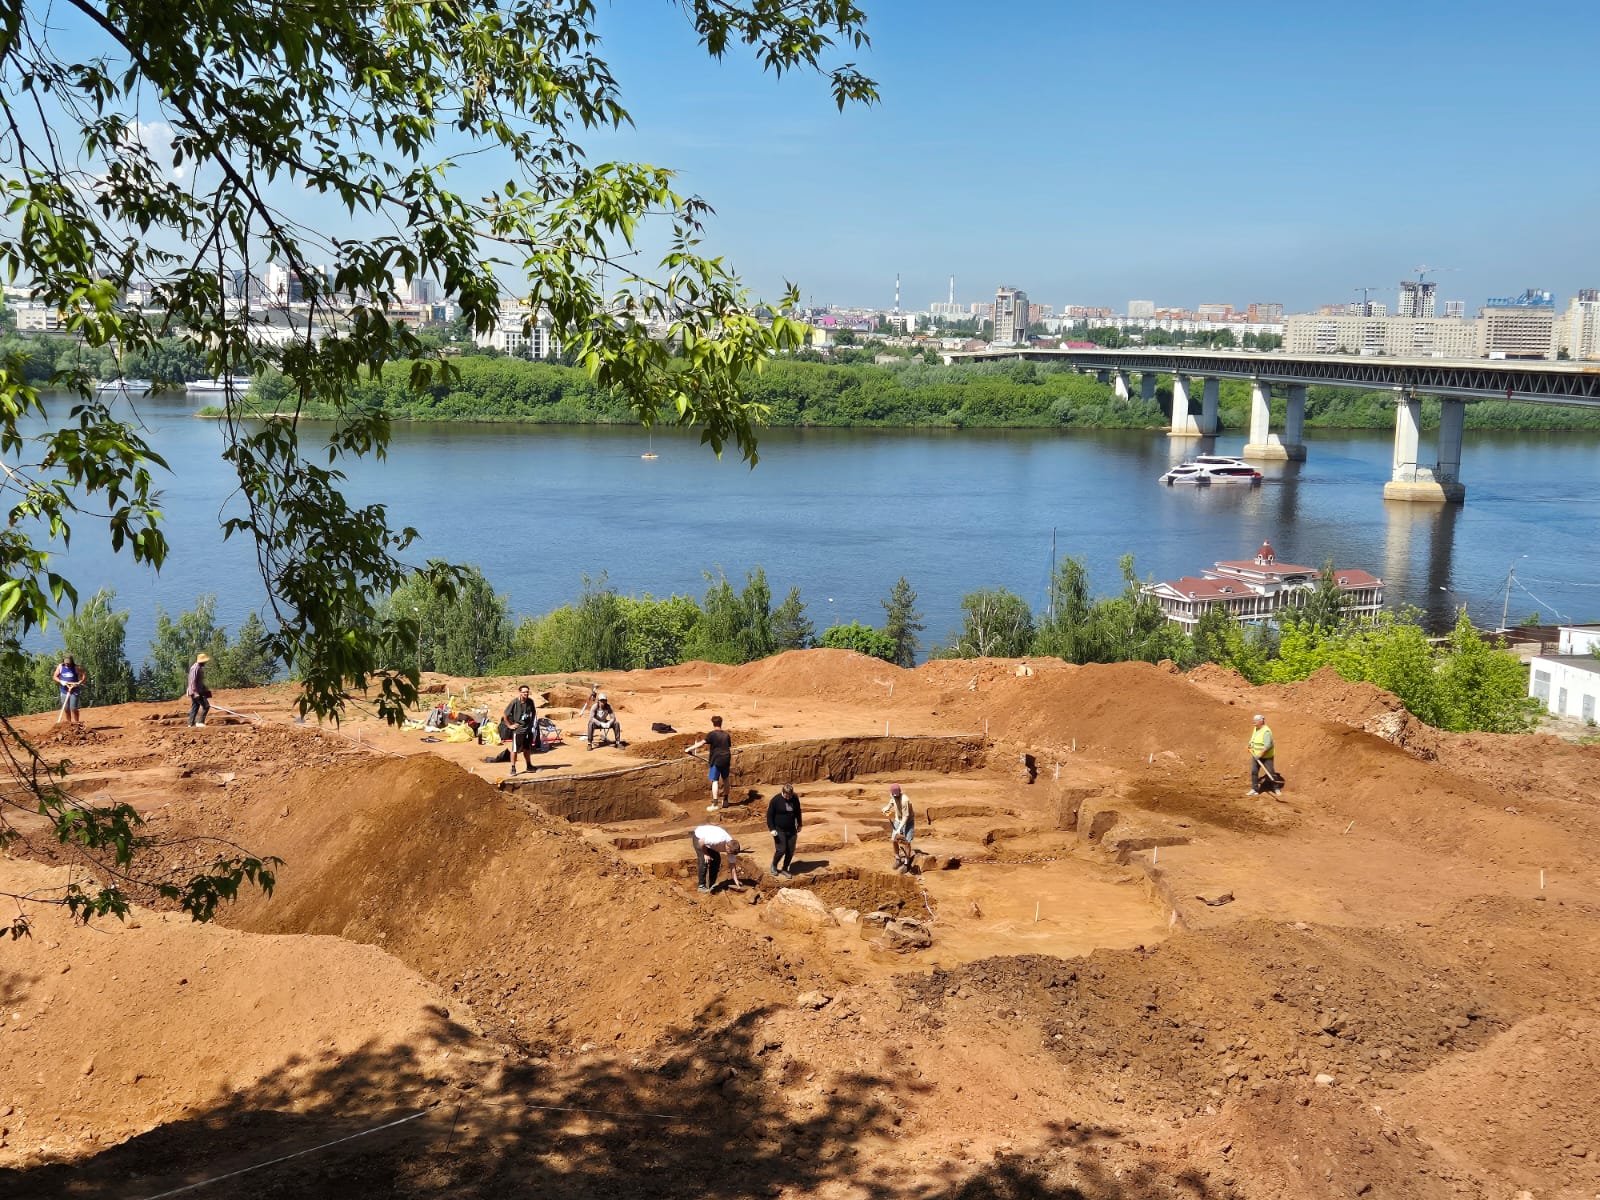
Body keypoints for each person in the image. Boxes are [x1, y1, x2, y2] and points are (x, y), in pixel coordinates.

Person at [686, 715, 733, 812]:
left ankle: (715, 804)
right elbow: (728, 746)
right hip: (726, 758)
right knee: (726, 779)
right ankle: (726, 800)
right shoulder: (726, 735)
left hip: (716, 759)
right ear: (721, 723)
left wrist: (689, 749)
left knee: (715, 780)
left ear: (713, 724)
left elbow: (701, 743)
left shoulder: (712, 734)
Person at [689, 824, 743, 894]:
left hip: (709, 841)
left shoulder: (732, 848)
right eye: (730, 853)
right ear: (727, 848)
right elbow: (701, 842)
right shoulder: (717, 840)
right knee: (704, 860)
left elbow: (732, 867)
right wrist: (705, 854)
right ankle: (701, 886)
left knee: (716, 860)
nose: (730, 855)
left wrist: (736, 882)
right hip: (699, 836)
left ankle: (712, 884)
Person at [766, 783, 803, 879]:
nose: (789, 798)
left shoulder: (794, 798)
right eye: (787, 796)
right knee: (781, 849)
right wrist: (772, 829)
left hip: (791, 829)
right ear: (783, 792)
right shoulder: (775, 800)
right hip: (779, 829)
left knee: (790, 850)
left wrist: (799, 824)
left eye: (790, 795)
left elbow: (798, 811)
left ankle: (785, 869)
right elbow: (769, 815)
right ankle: (774, 865)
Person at [504, 684, 539, 775]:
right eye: (524, 692)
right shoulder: (514, 703)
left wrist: (532, 724)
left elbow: (534, 712)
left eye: (527, 692)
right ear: (520, 692)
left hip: (528, 730)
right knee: (515, 749)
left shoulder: (530, 702)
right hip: (518, 730)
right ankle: (513, 768)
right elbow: (505, 715)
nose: (526, 694)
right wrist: (510, 725)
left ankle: (529, 765)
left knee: (527, 748)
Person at [883, 784, 915, 872]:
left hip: (908, 821)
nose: (895, 797)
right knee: (894, 840)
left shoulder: (905, 800)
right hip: (898, 820)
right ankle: (898, 859)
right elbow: (892, 802)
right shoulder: (893, 796)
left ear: (900, 792)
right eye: (894, 796)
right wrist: (887, 808)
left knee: (907, 842)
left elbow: (905, 817)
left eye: (897, 796)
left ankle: (906, 863)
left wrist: (899, 828)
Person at [52, 654, 86, 725]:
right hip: (64, 691)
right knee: (66, 709)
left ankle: (77, 723)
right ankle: (69, 724)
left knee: (73, 708)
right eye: (66, 662)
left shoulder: (76, 668)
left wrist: (79, 683)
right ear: (63, 661)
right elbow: (55, 677)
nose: (67, 664)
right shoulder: (60, 667)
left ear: (71, 661)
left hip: (74, 690)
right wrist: (61, 681)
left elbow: (84, 675)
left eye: (68, 662)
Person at [1248, 713, 1278, 794]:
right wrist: (1250, 743)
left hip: (1266, 756)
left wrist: (1260, 755)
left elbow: (1267, 746)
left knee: (1270, 772)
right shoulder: (1256, 728)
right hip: (1256, 754)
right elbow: (1253, 737)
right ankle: (1255, 789)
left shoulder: (1266, 731)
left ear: (1261, 721)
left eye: (1255, 721)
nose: (1253, 723)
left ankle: (1276, 788)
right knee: (1254, 772)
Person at [186, 652, 212, 728]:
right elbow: (192, 681)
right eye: (205, 661)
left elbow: (199, 681)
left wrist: (205, 688)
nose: (206, 662)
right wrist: (195, 693)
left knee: (195, 706)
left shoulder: (199, 668)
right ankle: (200, 722)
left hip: (197, 691)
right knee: (206, 706)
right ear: (202, 661)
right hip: (195, 692)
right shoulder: (195, 668)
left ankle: (191, 723)